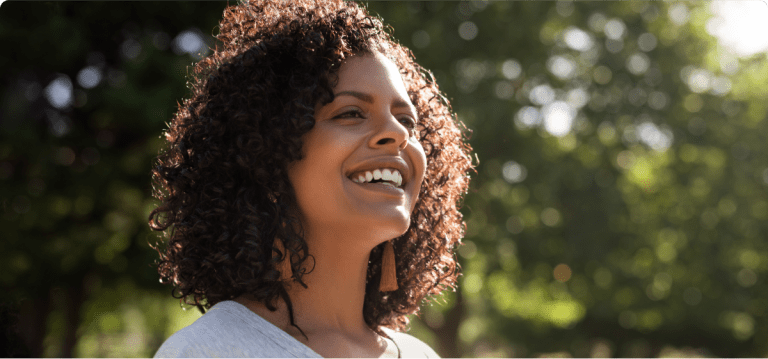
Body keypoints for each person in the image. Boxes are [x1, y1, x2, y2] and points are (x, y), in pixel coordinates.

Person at [149, 0, 473, 357]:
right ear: (268, 154)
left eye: (407, 121)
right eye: (351, 113)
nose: (397, 133)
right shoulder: (208, 351)